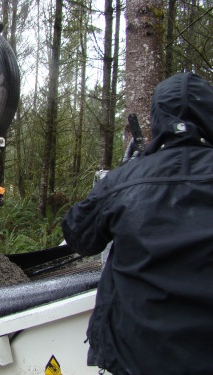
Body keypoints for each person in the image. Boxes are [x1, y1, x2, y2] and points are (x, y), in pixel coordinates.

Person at [61, 72, 213, 375]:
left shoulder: (125, 182)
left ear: (157, 118)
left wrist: (123, 175)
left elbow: (77, 234)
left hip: (136, 358)